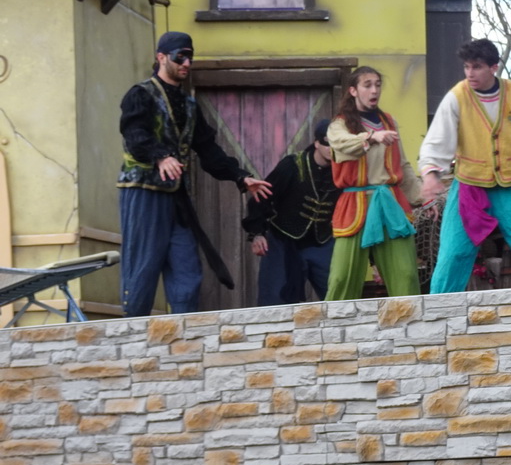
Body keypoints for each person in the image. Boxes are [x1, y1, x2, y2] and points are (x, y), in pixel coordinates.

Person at [117, 31, 272, 317]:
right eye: (180, 56)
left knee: (187, 272)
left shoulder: (189, 105)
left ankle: (184, 339)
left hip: (177, 198)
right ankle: (132, 339)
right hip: (143, 193)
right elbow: (134, 134)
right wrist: (161, 157)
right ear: (161, 57)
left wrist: (240, 176)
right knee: (142, 269)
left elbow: (207, 149)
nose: (187, 62)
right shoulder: (140, 94)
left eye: (190, 57)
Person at [420, 38, 511, 293]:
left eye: (476, 67)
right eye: (466, 67)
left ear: (493, 67)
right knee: (452, 255)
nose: (470, 73)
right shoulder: (456, 98)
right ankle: (436, 316)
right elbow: (436, 142)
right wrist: (431, 176)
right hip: (470, 188)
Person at [324, 66, 422, 300]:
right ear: (353, 90)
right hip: (354, 205)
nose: (374, 89)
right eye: (367, 85)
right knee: (341, 278)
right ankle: (336, 331)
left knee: (406, 275)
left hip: (389, 202)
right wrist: (370, 137)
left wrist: (423, 198)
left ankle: (411, 331)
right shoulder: (340, 124)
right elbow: (341, 144)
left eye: (377, 84)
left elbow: (404, 166)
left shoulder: (389, 121)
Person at [242, 119, 340, 306]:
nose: (332, 148)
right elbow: (261, 197)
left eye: (337, 143)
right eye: (327, 143)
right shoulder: (293, 165)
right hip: (283, 241)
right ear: (317, 143)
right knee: (274, 300)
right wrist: (257, 233)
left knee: (338, 295)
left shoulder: (343, 170)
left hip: (322, 241)